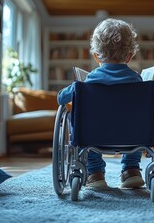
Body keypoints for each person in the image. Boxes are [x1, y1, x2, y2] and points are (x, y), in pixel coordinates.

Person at [57, 18, 145, 189]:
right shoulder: (137, 80)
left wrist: (71, 89)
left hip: (95, 136)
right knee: (136, 124)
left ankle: (95, 173)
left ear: (96, 56)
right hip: (132, 136)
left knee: (83, 125)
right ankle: (131, 170)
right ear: (130, 56)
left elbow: (61, 99)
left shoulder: (89, 81)